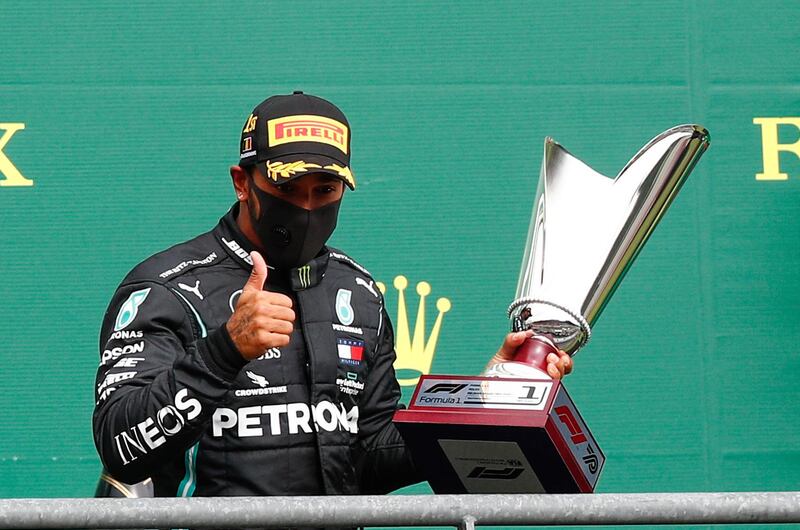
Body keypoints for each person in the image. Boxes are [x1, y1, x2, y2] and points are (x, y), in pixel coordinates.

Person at [92, 91, 572, 498]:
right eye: (288, 187)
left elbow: (369, 458)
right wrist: (225, 348)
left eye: (324, 190)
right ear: (242, 182)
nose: (305, 207)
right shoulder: (168, 289)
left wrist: (485, 400)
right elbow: (121, 448)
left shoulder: (357, 290)